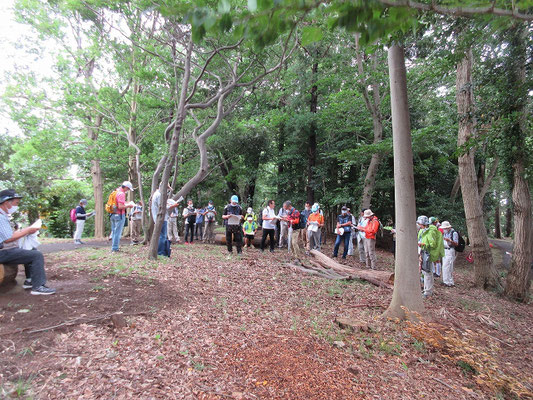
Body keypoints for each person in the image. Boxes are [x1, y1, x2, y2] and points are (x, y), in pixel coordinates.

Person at [0, 189, 55, 295]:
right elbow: (8, 238)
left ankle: (30, 280)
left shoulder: (3, 216)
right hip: (2, 252)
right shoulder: (1, 217)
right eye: (16, 203)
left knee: (30, 250)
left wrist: (24, 232)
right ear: (7, 203)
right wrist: (28, 230)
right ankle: (38, 286)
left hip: (3, 250)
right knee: (36, 255)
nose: (17, 206)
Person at [417, 215, 444, 298]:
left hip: (427, 253)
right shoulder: (422, 231)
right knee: (424, 272)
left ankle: (428, 291)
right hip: (422, 252)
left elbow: (433, 244)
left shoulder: (431, 231)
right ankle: (426, 289)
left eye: (419, 223)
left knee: (427, 272)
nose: (418, 225)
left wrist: (424, 244)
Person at [151, 185, 179, 257]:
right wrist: (173, 206)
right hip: (161, 218)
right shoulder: (159, 195)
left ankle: (160, 251)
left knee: (161, 235)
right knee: (162, 236)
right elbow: (163, 207)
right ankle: (160, 252)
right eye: (167, 189)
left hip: (160, 217)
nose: (167, 191)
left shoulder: (156, 194)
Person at [110, 181, 135, 252]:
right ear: (126, 187)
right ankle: (115, 248)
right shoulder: (121, 194)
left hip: (112, 214)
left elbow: (118, 203)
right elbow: (120, 206)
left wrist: (126, 203)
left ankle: (114, 247)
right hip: (119, 214)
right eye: (128, 189)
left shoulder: (115, 192)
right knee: (118, 232)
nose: (128, 191)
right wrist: (129, 205)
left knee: (114, 231)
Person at [441, 221, 459, 287]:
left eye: (445, 228)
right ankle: (446, 280)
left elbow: (456, 244)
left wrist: (450, 240)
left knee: (448, 266)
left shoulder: (454, 233)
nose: (444, 230)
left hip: (450, 250)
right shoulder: (445, 233)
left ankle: (448, 282)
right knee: (445, 266)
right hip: (445, 250)